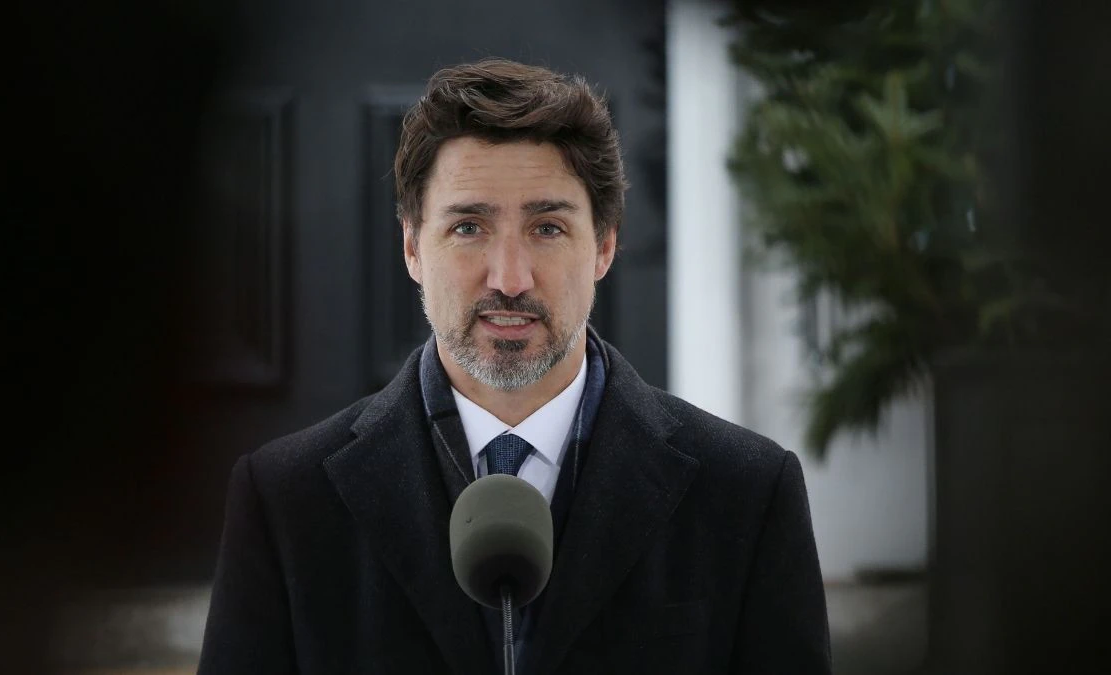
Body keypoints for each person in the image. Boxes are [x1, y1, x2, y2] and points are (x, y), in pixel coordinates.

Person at [197, 58, 831, 675]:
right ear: (413, 247)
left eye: (547, 228)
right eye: (469, 226)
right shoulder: (285, 501)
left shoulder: (746, 494)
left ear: (604, 245)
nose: (509, 279)